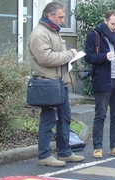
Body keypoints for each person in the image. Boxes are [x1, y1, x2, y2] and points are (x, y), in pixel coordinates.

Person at [27, 2, 85, 167]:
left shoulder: (53, 31)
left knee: (64, 118)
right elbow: (46, 58)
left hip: (59, 83)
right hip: (48, 84)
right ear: (50, 16)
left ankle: (64, 152)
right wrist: (69, 54)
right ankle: (44, 155)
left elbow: (56, 55)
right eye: (60, 17)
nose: (62, 20)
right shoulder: (40, 33)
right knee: (48, 119)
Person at [84, 10, 115, 159]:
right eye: (113, 24)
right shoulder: (94, 35)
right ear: (105, 21)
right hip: (102, 80)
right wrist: (104, 57)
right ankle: (97, 148)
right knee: (100, 115)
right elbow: (88, 56)